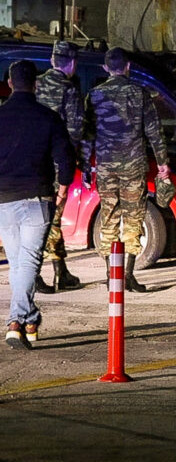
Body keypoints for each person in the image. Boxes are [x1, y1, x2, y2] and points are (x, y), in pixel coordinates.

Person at [0, 60, 75, 349]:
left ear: (10, 83)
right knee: (28, 261)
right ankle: (17, 320)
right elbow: (65, 158)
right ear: (36, 84)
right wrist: (63, 189)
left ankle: (29, 319)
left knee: (19, 263)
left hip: (4, 200)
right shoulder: (48, 117)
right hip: (37, 199)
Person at [84, 47, 171, 293]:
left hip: (106, 167)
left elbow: (87, 135)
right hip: (134, 166)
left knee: (109, 216)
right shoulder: (140, 94)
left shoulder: (94, 95)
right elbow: (154, 132)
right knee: (134, 216)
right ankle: (129, 275)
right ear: (128, 66)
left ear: (105, 68)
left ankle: (111, 275)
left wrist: (85, 165)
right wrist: (162, 163)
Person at [34, 40, 85, 293]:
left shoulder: (36, 83)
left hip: (32, 160)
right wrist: (73, 159)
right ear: (72, 63)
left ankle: (60, 270)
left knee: (45, 216)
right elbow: (75, 132)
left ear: (52, 59)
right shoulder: (69, 89)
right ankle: (36, 273)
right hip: (56, 162)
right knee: (49, 217)